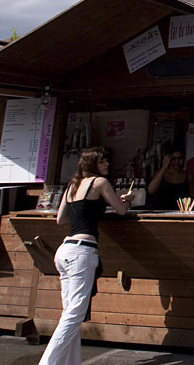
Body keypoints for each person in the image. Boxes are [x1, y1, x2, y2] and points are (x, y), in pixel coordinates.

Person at [40, 146, 137, 365]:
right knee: (74, 314)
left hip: (65, 249)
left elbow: (61, 219)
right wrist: (128, 199)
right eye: (102, 161)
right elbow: (121, 210)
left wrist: (85, 212)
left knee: (70, 313)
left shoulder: (72, 185)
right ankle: (48, 362)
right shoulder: (100, 183)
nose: (107, 164)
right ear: (93, 164)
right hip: (82, 251)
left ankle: (69, 362)